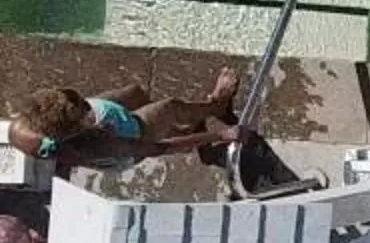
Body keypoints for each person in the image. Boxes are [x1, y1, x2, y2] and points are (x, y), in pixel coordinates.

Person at [7, 70, 242, 173]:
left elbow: (24, 140)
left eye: (76, 97)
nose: (85, 100)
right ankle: (218, 107)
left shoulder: (25, 127)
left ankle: (187, 134)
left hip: (109, 121)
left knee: (135, 93)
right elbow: (159, 148)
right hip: (132, 135)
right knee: (170, 108)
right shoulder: (100, 142)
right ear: (76, 126)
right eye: (82, 106)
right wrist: (223, 135)